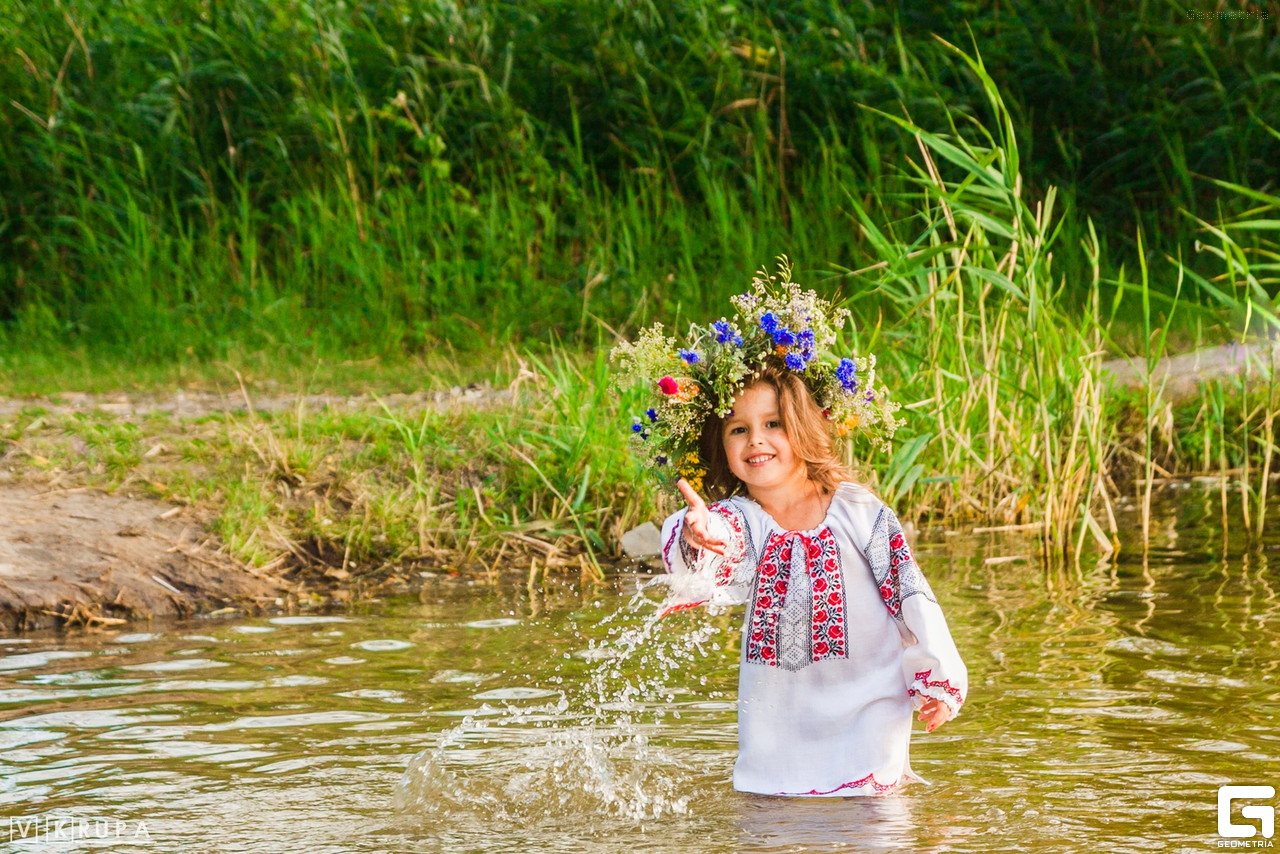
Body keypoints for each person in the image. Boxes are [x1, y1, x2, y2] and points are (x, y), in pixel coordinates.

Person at [611, 263, 966, 797]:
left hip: (868, 722)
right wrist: (696, 533)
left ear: (803, 426)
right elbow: (717, 543)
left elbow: (911, 595)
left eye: (773, 423)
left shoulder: (857, 512)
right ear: (722, 449)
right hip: (777, 740)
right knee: (771, 832)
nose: (757, 440)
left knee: (874, 829)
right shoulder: (744, 519)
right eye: (739, 429)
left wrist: (936, 677)